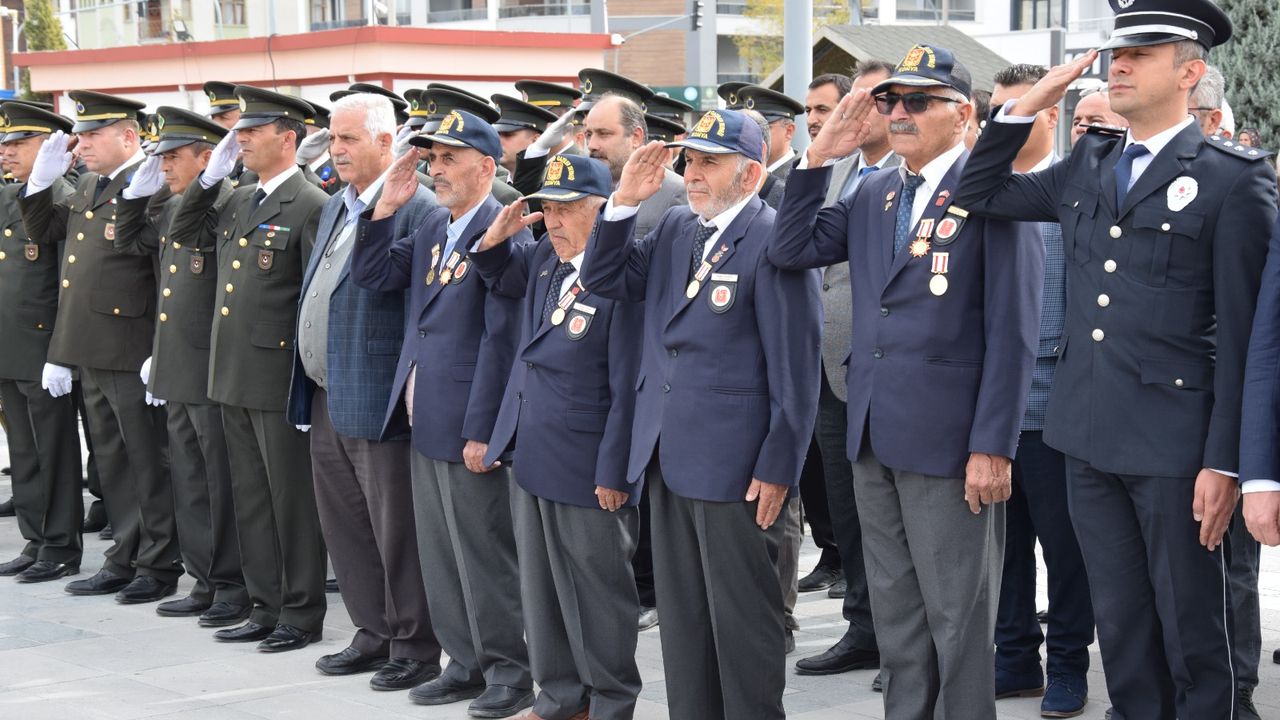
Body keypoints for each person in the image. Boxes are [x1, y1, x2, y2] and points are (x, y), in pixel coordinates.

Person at [957, 0, 1277, 715]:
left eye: (1142, 54)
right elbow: (975, 193)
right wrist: (1030, 104)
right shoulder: (1088, 165)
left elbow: (1248, 335)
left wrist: (1227, 462)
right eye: (1116, 53)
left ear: (1189, 72)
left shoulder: (1232, 178)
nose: (1118, 64)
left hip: (1177, 448)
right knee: (1125, 635)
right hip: (1087, 438)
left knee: (1198, 638)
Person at [770, 45, 1043, 720]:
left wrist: (993, 445)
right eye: (890, 101)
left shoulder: (991, 190)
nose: (899, 113)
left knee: (957, 616)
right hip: (873, 433)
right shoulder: (876, 190)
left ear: (962, 113)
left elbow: (1014, 333)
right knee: (897, 614)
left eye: (917, 101)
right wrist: (815, 159)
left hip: (952, 442)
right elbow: (791, 248)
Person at [581, 108, 821, 720]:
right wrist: (623, 203)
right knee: (684, 619)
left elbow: (796, 365)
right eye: (690, 161)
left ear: (751, 173)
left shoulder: (774, 236)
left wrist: (779, 465)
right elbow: (605, 277)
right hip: (669, 455)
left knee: (744, 620)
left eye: (710, 162)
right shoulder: (677, 229)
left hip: (738, 465)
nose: (693, 174)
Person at [350, 109, 534, 718]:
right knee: (442, 552)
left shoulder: (506, 228)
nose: (436, 168)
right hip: (422, 413)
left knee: (484, 553)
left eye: (450, 158)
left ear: (487, 166)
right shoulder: (432, 223)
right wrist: (383, 210)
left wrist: (484, 430)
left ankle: (509, 673)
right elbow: (374, 274)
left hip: (468, 421)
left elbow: (501, 342)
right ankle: (463, 663)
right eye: (433, 157)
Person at [472, 154, 644, 720]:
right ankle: (561, 698)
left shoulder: (622, 273)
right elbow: (503, 280)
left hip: (588, 457)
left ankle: (611, 702)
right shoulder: (547, 255)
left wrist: (615, 469)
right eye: (547, 209)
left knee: (598, 593)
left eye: (568, 210)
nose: (554, 222)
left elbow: (628, 383)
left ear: (604, 210)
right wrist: (493, 243)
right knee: (542, 591)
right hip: (535, 447)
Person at [284, 93, 444, 692]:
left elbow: (415, 306)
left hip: (377, 394)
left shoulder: (417, 208)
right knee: (346, 524)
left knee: (393, 525)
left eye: (349, 139)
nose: (337, 149)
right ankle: (371, 632)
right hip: (326, 389)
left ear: (387, 142)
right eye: (332, 138)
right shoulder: (335, 206)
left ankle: (413, 644)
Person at [170, 85, 330, 653]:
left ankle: (301, 610)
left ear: (288, 139)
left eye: (253, 132)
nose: (240, 139)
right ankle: (264, 603)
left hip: (276, 377)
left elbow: (315, 300)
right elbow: (183, 233)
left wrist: (310, 381)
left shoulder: (310, 203)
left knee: (289, 499)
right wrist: (209, 179)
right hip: (232, 372)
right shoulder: (238, 198)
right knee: (251, 497)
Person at [20, 90, 181, 604]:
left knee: (146, 462)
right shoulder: (91, 184)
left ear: (128, 136)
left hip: (131, 346)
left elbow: (161, 276)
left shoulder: (149, 185)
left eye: (93, 136)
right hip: (91, 346)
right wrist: (40, 183)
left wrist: (163, 346)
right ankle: (125, 555)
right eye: (81, 136)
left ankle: (158, 563)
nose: (82, 145)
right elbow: (48, 238)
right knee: (112, 460)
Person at [114, 107, 252, 628]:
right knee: (190, 481)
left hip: (209, 366)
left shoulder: (224, 205)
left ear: (207, 158)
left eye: (175, 158)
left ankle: (232, 584)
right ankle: (204, 579)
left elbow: (198, 230)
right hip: (176, 364)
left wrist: (206, 182)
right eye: (162, 157)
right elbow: (129, 240)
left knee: (219, 482)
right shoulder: (172, 207)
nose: (165, 167)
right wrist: (134, 195)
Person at [987, 64, 1096, 719]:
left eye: (1020, 109)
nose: (1007, 120)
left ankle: (1067, 669)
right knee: (1003, 554)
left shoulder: (1071, 191)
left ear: (1048, 114)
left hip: (1058, 413)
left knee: (1066, 554)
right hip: (996, 414)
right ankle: (1014, 661)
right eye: (1000, 110)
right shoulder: (985, 195)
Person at [794, 59, 898, 681]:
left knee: (901, 521)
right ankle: (864, 627)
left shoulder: (922, 178)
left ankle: (904, 638)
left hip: (892, 372)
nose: (857, 116)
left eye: (873, 102)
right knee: (851, 511)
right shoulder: (836, 172)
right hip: (833, 370)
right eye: (850, 104)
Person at [0, 101, 85, 584]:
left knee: (53, 449)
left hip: (43, 346)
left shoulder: (64, 199)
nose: (6, 152)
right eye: (5, 144)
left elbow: (65, 282)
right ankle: (36, 538)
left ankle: (59, 545)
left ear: (51, 147)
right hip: (11, 344)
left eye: (18, 144)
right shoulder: (10, 196)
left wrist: (61, 352)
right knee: (25, 452)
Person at [739, 85, 804, 181]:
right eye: (748, 128)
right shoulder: (744, 173)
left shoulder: (800, 176)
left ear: (789, 131)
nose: (752, 134)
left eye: (762, 128)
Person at [491, 93, 557, 177]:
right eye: (497, 133)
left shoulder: (549, 186)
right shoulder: (491, 186)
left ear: (535, 140)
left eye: (507, 134)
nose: (499, 141)